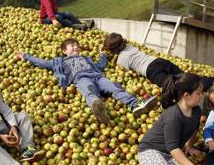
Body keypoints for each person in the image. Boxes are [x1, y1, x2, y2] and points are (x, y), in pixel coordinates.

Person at [15, 38, 158, 124]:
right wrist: (26, 56)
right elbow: (43, 63)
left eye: (77, 45)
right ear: (64, 51)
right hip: (80, 78)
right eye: (72, 45)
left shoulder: (86, 58)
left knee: (114, 88)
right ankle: (98, 108)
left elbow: (101, 66)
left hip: (97, 76)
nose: (76, 47)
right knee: (89, 91)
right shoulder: (60, 62)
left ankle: (135, 104)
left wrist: (102, 56)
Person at [102, 32, 214, 89]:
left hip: (151, 70)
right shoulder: (129, 46)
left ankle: (205, 86)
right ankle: (211, 81)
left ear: (113, 50)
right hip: (159, 61)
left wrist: (107, 58)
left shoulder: (121, 60)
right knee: (184, 76)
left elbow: (126, 72)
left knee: (176, 86)